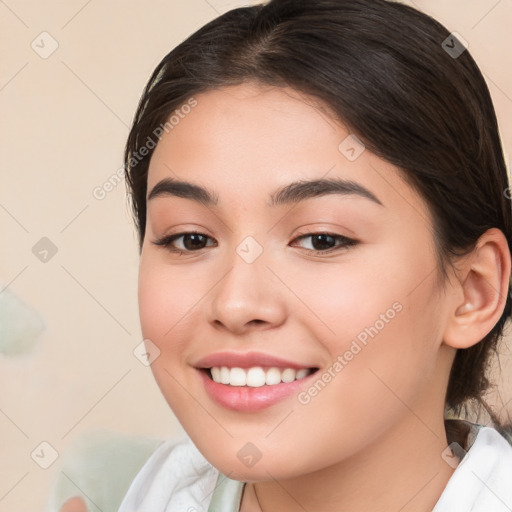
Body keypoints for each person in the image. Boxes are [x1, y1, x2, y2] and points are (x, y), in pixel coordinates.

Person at [63, 0, 512, 511]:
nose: (235, 304)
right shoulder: (161, 491)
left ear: (474, 290)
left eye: (321, 239)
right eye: (191, 239)